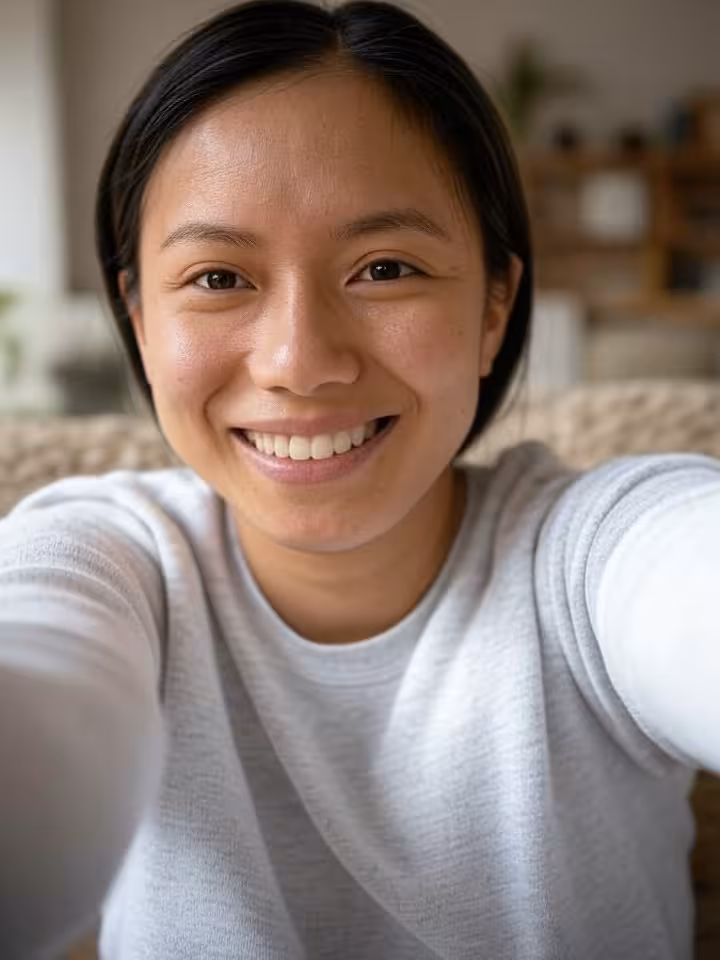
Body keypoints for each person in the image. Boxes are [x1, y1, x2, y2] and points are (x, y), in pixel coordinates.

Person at [0, 1, 718, 957]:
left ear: (495, 307)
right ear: (137, 312)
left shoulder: (594, 555)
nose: (299, 360)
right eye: (218, 278)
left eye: (385, 267)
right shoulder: (107, 560)